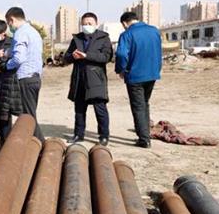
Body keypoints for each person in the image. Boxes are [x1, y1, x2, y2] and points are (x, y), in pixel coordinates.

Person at [64, 12, 113, 146]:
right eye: (84, 24)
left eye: (90, 23)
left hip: (96, 78)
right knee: (79, 110)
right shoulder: (76, 39)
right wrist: (72, 56)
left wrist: (86, 55)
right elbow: (66, 58)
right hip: (79, 78)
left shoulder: (103, 38)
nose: (87, 26)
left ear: (96, 24)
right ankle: (78, 134)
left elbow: (106, 57)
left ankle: (103, 136)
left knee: (100, 109)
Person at [115, 12, 162, 148]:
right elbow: (159, 51)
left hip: (135, 76)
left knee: (138, 106)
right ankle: (145, 133)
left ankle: (144, 139)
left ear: (125, 23)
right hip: (152, 73)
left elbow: (121, 54)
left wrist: (121, 69)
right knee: (145, 103)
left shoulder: (127, 34)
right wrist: (157, 69)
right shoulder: (154, 31)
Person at [0, 7, 44, 142]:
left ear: (12, 20)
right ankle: (35, 145)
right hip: (35, 77)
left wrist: (5, 66)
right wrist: (6, 52)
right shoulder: (33, 32)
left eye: (9, 23)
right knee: (29, 114)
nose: (9, 27)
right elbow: (22, 51)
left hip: (25, 79)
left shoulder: (20, 33)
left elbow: (19, 58)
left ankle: (41, 145)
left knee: (28, 117)